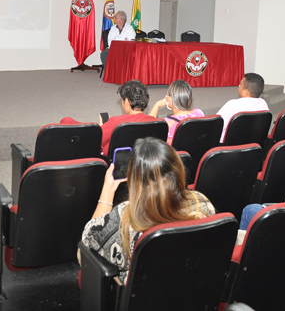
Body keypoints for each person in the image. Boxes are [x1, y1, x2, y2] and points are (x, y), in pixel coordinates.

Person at [81, 137, 215, 284]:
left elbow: (87, 244)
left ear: (134, 179)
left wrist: (107, 191)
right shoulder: (201, 202)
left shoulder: (122, 219)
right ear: (178, 169)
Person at [62, 80, 157, 155]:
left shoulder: (116, 122)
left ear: (127, 102)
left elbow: (95, 141)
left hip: (112, 161)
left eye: (122, 101)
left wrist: (100, 128)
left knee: (66, 121)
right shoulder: (157, 122)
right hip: (141, 161)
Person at [147, 80, 204, 145]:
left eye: (167, 95)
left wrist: (157, 105)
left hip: (175, 154)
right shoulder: (199, 113)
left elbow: (149, 125)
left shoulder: (168, 123)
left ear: (171, 99)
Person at [216, 72, 269, 142]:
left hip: (226, 147)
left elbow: (216, 125)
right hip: (253, 146)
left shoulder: (233, 105)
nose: (239, 86)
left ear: (246, 92)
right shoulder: (263, 104)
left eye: (241, 84)